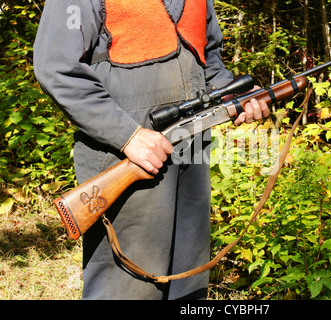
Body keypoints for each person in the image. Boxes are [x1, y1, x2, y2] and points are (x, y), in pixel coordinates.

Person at [33, 0, 269, 300]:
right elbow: (56, 67)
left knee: (188, 280)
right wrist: (127, 136)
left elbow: (207, 60)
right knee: (127, 286)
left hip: (192, 149)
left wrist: (235, 92)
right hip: (122, 152)